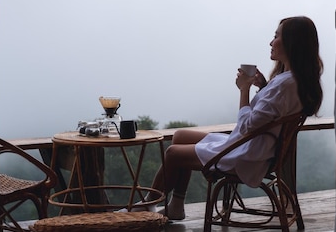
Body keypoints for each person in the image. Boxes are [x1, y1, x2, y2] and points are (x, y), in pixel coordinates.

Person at [117, 16, 323, 220]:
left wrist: (243, 90)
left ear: (292, 42)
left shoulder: (283, 85)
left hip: (247, 155)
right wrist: (263, 87)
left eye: (276, 36)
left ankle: (146, 206)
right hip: (254, 148)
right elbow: (273, 111)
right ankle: (176, 206)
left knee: (172, 153)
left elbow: (248, 126)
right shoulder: (291, 81)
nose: (271, 42)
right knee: (180, 135)